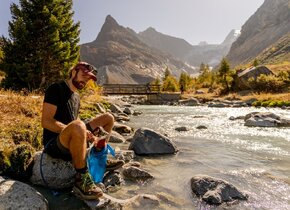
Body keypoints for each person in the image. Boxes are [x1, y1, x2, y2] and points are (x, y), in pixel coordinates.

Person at [41, 61, 123, 200]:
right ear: (73, 72)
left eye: (88, 78)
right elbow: (46, 121)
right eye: (83, 76)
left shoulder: (76, 96)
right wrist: (79, 129)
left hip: (74, 135)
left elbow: (75, 119)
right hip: (55, 142)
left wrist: (88, 135)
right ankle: (82, 178)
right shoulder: (56, 88)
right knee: (79, 126)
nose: (86, 80)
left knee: (108, 118)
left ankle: (99, 157)